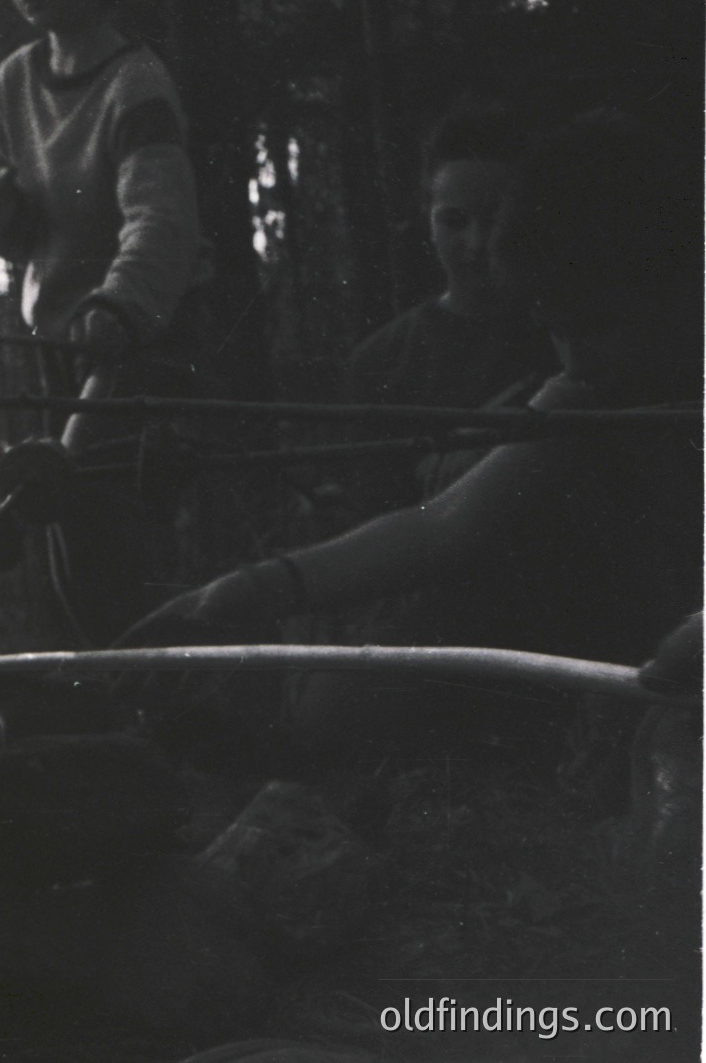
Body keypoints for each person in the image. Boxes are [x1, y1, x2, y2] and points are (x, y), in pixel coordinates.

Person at [130, 110, 702, 766]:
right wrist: (245, 590)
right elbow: (445, 525)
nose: (574, 356)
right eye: (555, 329)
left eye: (597, 325)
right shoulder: (587, 389)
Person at [0, 0, 227, 645]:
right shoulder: (15, 80)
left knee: (118, 536)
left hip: (144, 339)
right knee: (70, 536)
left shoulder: (135, 82)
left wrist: (120, 304)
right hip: (64, 345)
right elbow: (13, 219)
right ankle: (121, 704)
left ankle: (176, 706)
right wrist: (1, 216)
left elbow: (162, 215)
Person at [344, 102, 555, 512]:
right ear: (427, 218)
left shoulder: (572, 335)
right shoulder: (382, 361)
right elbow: (376, 518)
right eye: (454, 221)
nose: (475, 244)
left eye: (494, 219)